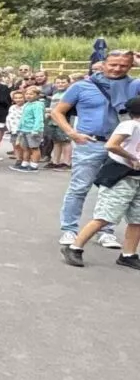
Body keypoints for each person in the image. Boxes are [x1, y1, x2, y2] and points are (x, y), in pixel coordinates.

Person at [50, 51, 137, 248]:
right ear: (104, 64)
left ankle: (105, 231)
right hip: (90, 144)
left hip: (121, 147)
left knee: (113, 190)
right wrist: (72, 133)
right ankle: (69, 229)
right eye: (113, 64)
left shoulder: (134, 86)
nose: (117, 69)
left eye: (123, 66)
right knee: (79, 187)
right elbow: (57, 111)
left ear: (130, 67)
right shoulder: (82, 86)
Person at [61, 97, 140, 269]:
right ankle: (75, 247)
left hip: (137, 177)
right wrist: (132, 158)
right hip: (120, 175)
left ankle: (129, 253)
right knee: (106, 215)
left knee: (137, 218)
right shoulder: (130, 125)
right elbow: (111, 145)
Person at [13, 86, 46, 172]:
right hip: (24, 129)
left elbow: (39, 118)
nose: (28, 96)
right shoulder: (27, 104)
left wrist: (36, 129)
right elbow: (23, 117)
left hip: (33, 130)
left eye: (31, 94)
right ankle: (25, 163)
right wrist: (19, 127)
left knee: (34, 147)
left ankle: (34, 165)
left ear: (37, 95)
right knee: (25, 148)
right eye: (27, 94)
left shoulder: (38, 105)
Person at [46, 75, 73, 169]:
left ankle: (66, 162)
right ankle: (55, 161)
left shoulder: (69, 94)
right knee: (56, 141)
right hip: (53, 120)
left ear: (69, 83)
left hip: (64, 119)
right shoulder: (56, 94)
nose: (60, 84)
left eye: (63, 82)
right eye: (58, 82)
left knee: (66, 141)